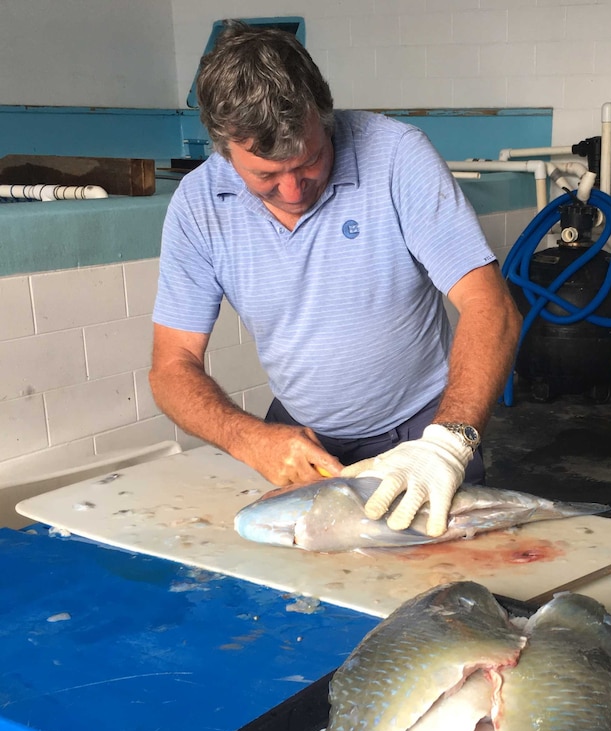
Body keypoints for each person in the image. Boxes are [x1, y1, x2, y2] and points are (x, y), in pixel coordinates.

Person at [149, 21, 521, 538]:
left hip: (422, 430)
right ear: (223, 149)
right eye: (265, 176)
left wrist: (449, 442)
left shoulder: (396, 155)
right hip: (302, 437)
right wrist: (250, 439)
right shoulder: (197, 205)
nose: (293, 190)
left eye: (310, 162)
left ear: (324, 119)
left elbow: (490, 306)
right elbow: (171, 367)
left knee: (441, 590)